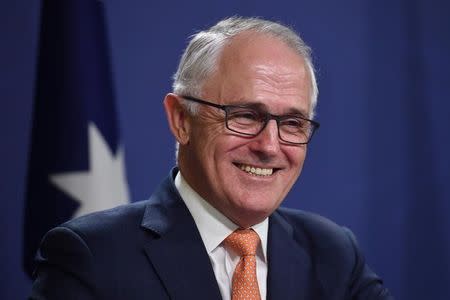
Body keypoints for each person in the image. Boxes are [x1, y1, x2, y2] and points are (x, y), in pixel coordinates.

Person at [30, 16, 393, 299]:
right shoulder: (91, 257)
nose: (269, 146)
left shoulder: (334, 253)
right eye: (245, 116)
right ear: (181, 120)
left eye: (293, 123)